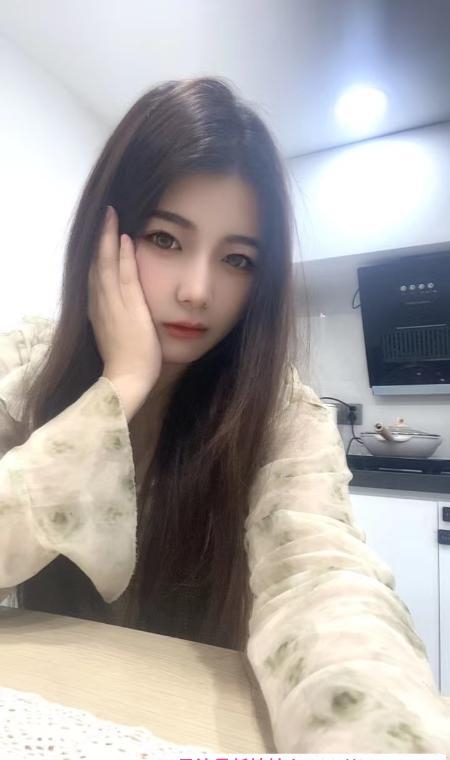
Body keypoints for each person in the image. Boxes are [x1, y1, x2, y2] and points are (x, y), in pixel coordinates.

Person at [0, 76, 449, 752]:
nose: (198, 291)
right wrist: (120, 389)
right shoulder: (27, 366)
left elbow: (323, 582)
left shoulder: (280, 413)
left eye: (237, 259)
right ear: (103, 236)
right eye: (165, 239)